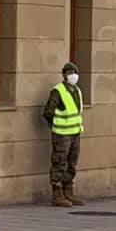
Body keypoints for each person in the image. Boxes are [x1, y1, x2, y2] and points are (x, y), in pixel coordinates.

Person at [42, 62, 85, 208]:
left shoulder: (77, 91)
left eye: (74, 72)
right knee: (59, 162)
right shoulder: (58, 91)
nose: (72, 75)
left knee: (72, 163)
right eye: (69, 73)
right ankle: (57, 194)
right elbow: (48, 112)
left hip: (75, 133)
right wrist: (54, 125)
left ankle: (68, 191)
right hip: (61, 134)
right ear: (64, 75)